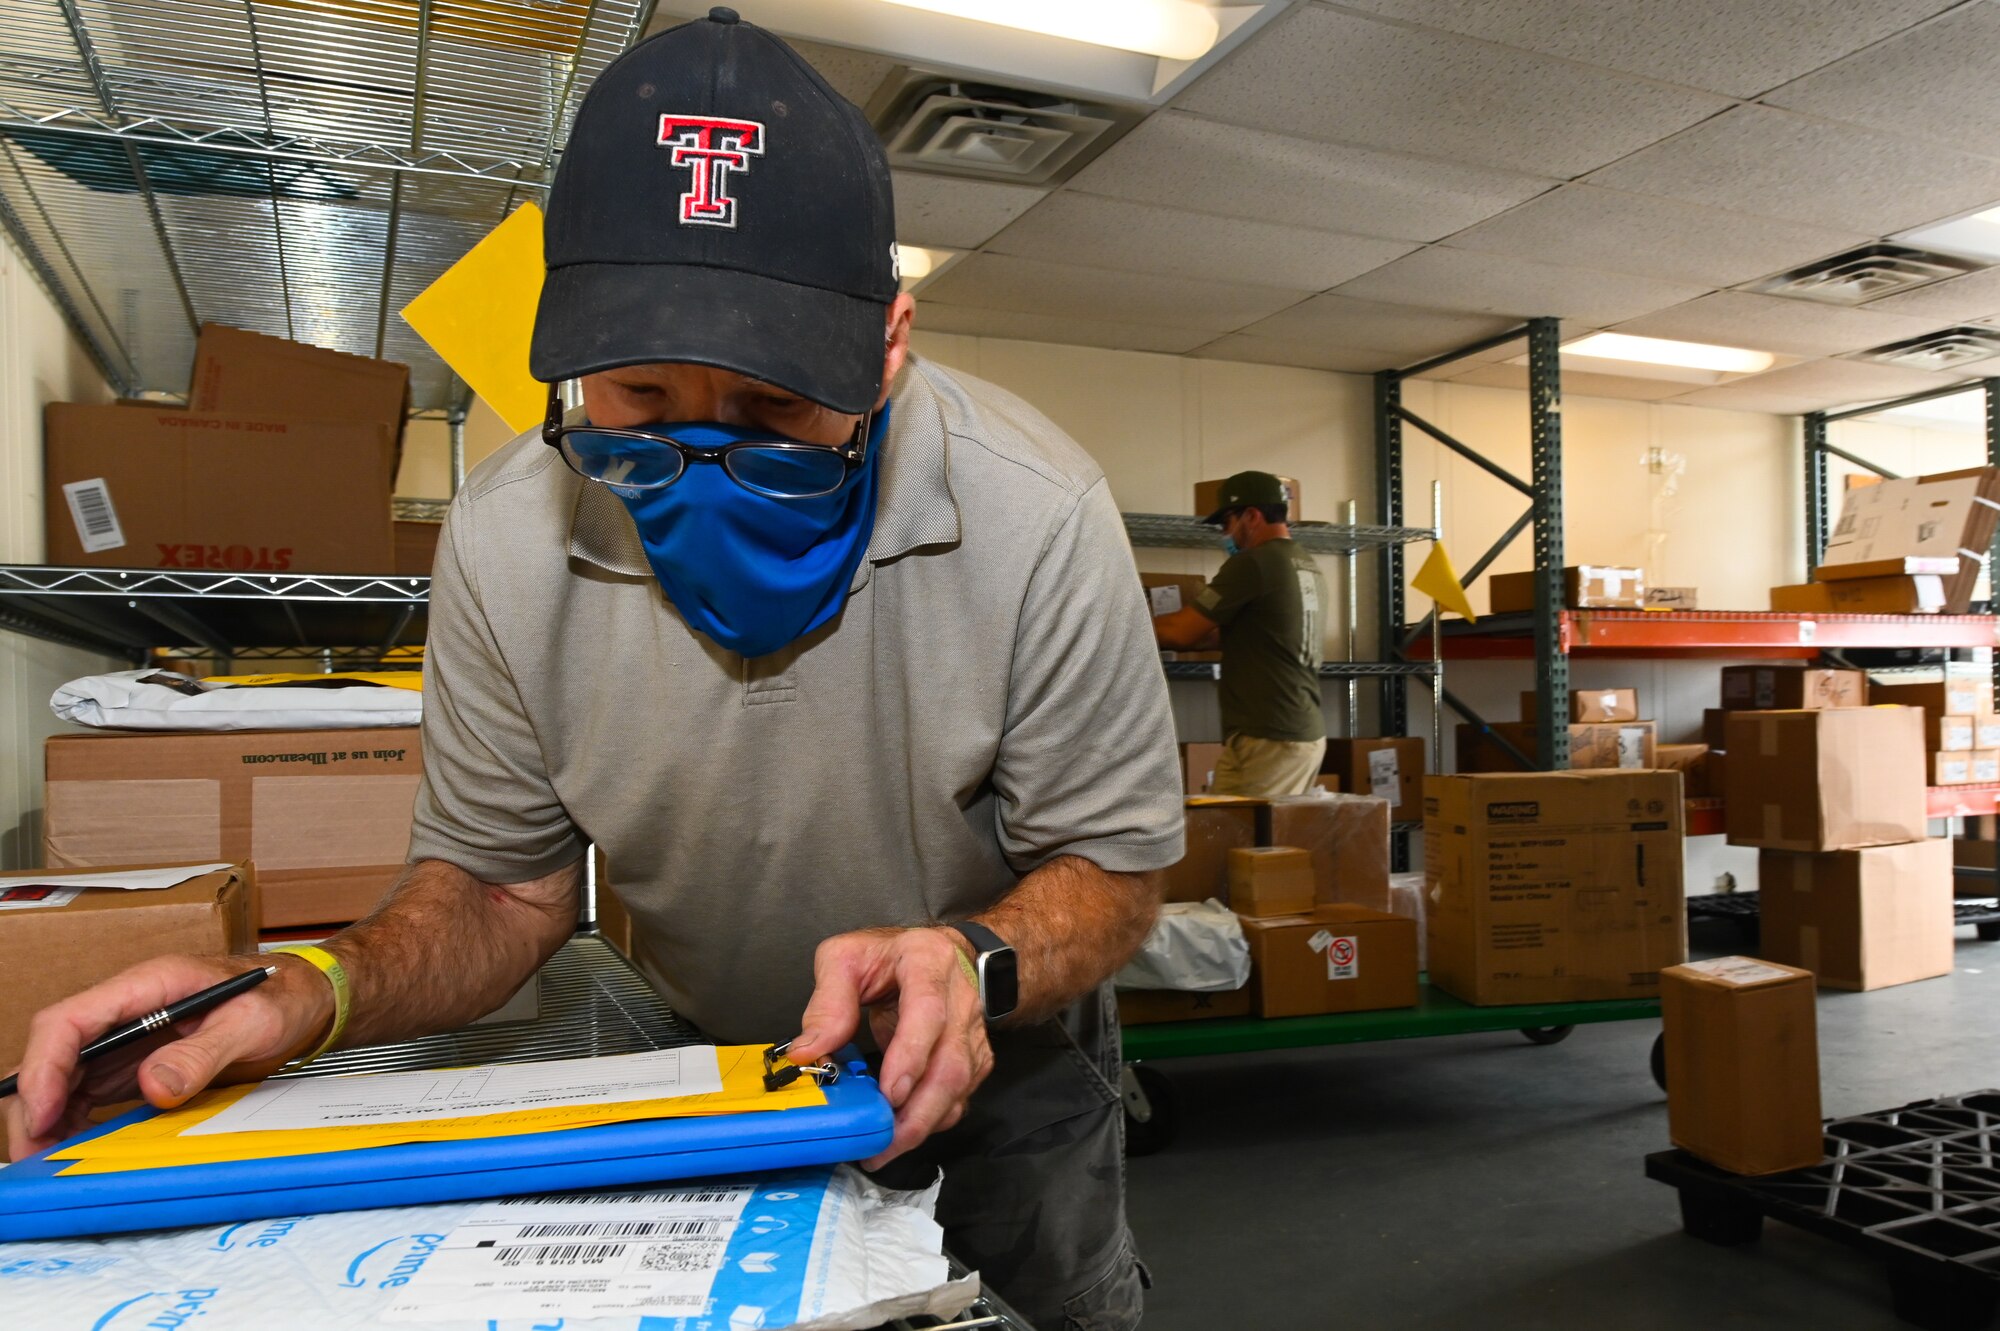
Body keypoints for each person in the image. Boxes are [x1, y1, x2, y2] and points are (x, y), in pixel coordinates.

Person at [3, 10, 1183, 1327]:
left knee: (1046, 1302)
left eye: (775, 411)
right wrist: (303, 990)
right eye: (641, 408)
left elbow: (1117, 867)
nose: (705, 466)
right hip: (722, 1053)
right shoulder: (510, 541)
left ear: (889, 345)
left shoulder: (1037, 514)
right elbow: (503, 895)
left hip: (1001, 1041)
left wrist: (974, 961)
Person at [1152, 470, 1331, 796]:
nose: (1224, 533)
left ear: (1252, 515)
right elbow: (1242, 635)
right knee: (1235, 835)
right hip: (1287, 733)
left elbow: (1181, 633)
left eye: (1227, 522)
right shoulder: (1304, 563)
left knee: (1249, 843)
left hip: (1270, 738)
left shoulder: (1255, 563)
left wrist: (1119, 627)